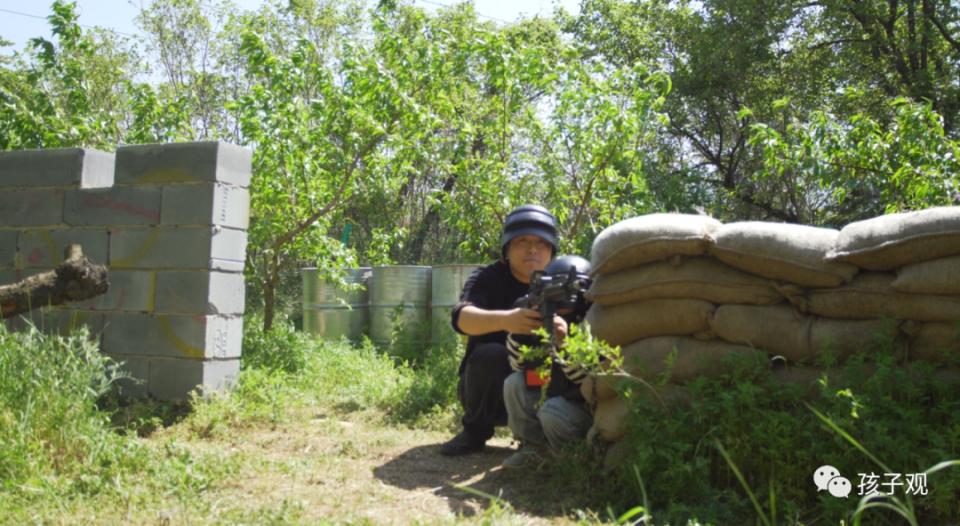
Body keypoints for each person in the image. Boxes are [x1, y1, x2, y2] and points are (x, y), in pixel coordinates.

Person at [440, 204, 561, 456]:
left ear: (552, 249)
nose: (532, 249)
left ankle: (552, 440)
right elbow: (460, 318)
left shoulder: (563, 280)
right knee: (491, 354)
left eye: (541, 242)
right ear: (507, 248)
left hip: (544, 383)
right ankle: (475, 432)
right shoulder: (489, 277)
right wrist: (507, 320)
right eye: (522, 241)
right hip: (493, 391)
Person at [501, 255, 594, 468]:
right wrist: (518, 334)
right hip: (551, 385)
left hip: (579, 403)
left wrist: (565, 344)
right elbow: (518, 367)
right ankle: (532, 450)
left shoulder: (593, 322)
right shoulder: (541, 315)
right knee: (515, 383)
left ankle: (568, 462)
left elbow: (586, 381)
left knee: (551, 410)